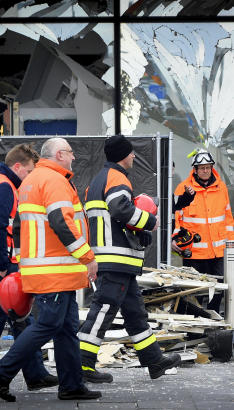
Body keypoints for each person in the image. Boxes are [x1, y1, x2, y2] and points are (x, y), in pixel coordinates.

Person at [0, 138, 102, 401]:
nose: (73, 158)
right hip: (55, 272)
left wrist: (21, 264)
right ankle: (1, 372)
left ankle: (71, 385)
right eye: (71, 153)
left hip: (46, 270)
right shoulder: (55, 181)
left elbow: (17, 227)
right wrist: (88, 257)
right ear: (60, 154)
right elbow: (61, 222)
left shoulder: (31, 181)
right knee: (49, 325)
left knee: (66, 328)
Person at [79, 135, 181, 383]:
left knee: (135, 313)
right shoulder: (116, 177)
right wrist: (150, 223)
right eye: (131, 152)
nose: (134, 156)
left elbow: (113, 216)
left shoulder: (100, 178)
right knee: (102, 311)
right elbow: (120, 209)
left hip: (115, 259)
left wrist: (136, 232)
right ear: (122, 155)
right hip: (116, 259)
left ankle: (154, 360)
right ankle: (82, 364)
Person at [0, 143, 57, 394]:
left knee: (21, 318)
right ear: (17, 166)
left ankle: (36, 373)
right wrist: (4, 266)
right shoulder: (5, 187)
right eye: (28, 172)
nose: (29, 177)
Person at [172, 149, 234, 312]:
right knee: (195, 291)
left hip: (218, 251)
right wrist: (174, 238)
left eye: (208, 167)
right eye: (202, 168)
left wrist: (231, 242)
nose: (205, 171)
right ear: (195, 170)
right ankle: (195, 322)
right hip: (194, 252)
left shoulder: (221, 188)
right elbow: (176, 217)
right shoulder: (183, 188)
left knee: (219, 288)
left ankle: (213, 317)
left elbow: (228, 217)